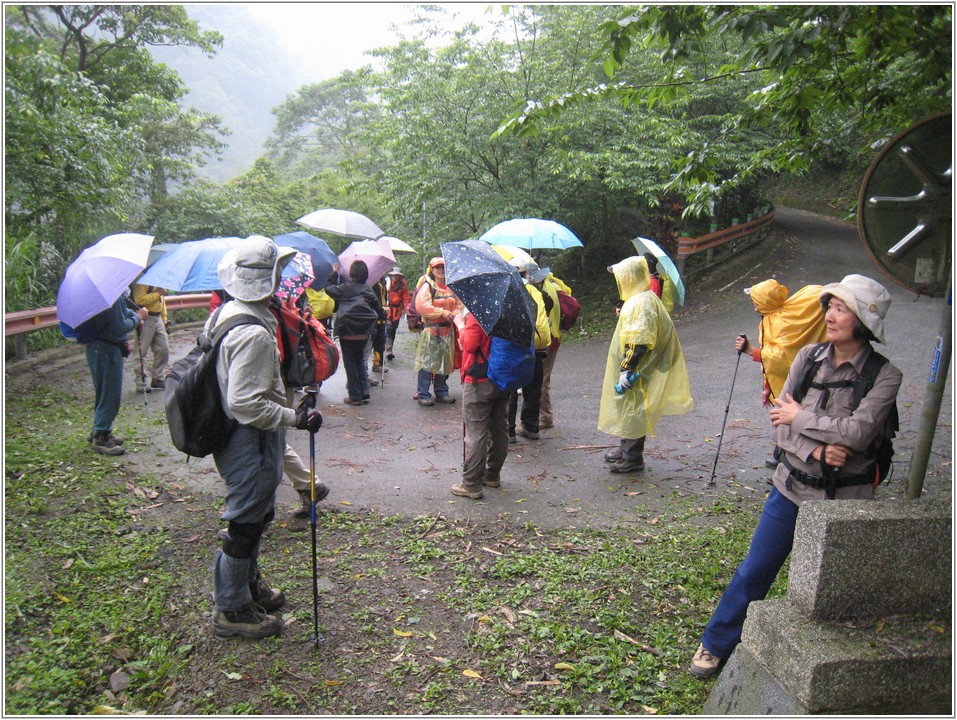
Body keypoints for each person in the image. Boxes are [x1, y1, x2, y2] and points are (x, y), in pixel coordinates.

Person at [690, 274, 900, 679]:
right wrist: (818, 448)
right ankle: (716, 644)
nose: (830, 314)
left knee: (836, 586)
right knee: (756, 569)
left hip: (847, 499)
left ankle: (827, 663)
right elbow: (779, 425)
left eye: (841, 308)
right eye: (830, 306)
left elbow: (859, 432)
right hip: (792, 485)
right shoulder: (808, 358)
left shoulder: (885, 375)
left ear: (861, 320)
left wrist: (800, 417)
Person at [207, 236, 322, 639]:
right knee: (245, 523)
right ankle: (232, 608)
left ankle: (246, 587)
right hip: (248, 440)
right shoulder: (253, 333)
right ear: (269, 281)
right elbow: (245, 403)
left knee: (255, 516)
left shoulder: (227, 313)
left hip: (241, 438)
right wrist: (295, 417)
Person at [598, 256, 693, 473]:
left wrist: (627, 368)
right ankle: (626, 448)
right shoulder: (641, 298)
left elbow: (638, 340)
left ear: (629, 277)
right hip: (641, 364)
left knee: (635, 407)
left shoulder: (641, 303)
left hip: (639, 367)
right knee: (629, 405)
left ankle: (632, 457)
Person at [736, 279, 827, 468]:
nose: (753, 306)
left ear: (763, 302)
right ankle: (782, 454)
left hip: (800, 381)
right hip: (794, 380)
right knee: (784, 418)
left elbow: (781, 357)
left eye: (755, 300)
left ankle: (787, 460)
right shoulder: (771, 318)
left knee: (790, 418)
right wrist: (767, 387)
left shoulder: (782, 322)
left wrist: (750, 351)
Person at [78, 291, 149, 455]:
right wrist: (137, 318)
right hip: (106, 350)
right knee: (110, 394)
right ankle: (101, 437)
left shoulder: (103, 294)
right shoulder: (112, 296)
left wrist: (133, 314)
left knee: (104, 392)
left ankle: (102, 429)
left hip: (98, 348)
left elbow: (121, 313)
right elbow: (119, 327)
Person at [451, 309, 511, 499]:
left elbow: (470, 344)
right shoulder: (508, 311)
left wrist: (461, 324)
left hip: (479, 379)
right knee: (500, 428)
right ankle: (492, 475)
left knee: (476, 432)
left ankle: (471, 484)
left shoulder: (481, 313)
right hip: (502, 377)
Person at [325, 260, 385, 406]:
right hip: (364, 331)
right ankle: (364, 391)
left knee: (350, 362)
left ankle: (354, 396)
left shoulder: (345, 288)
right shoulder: (368, 289)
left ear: (351, 273)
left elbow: (328, 289)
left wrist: (334, 273)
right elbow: (378, 308)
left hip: (347, 330)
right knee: (359, 360)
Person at [507, 260, 551, 441]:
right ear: (526, 275)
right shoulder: (536, 292)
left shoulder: (507, 291)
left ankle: (509, 431)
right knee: (533, 387)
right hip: (536, 345)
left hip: (514, 346)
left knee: (510, 388)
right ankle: (531, 427)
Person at [413, 257, 464, 406]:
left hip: (447, 330)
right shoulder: (428, 286)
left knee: (445, 361)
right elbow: (422, 306)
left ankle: (441, 391)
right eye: (437, 268)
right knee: (427, 363)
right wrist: (441, 312)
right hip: (431, 330)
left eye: (443, 267)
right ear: (432, 270)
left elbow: (459, 305)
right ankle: (423, 393)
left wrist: (453, 314)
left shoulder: (451, 287)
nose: (440, 270)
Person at [536, 269, 572, 431]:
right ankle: (541, 416)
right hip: (553, 336)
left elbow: (573, 307)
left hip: (546, 338)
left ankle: (545, 417)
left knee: (541, 379)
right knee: (541, 378)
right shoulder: (555, 285)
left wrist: (564, 325)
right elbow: (572, 306)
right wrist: (564, 325)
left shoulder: (544, 289)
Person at [131, 280, 170, 392]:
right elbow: (140, 299)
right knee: (141, 351)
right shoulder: (141, 280)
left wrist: (165, 317)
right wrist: (158, 293)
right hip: (145, 318)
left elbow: (161, 300)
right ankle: (140, 382)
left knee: (163, 349)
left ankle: (158, 377)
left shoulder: (157, 277)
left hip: (158, 318)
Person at [385, 268, 411, 360]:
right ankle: (388, 349)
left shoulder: (402, 286)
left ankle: (390, 347)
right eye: (393, 275)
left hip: (397, 311)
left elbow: (406, 299)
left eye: (397, 275)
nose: (395, 277)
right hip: (387, 309)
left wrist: (408, 311)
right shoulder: (386, 284)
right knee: (388, 328)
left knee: (393, 330)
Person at [369, 276, 389, 383]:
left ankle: (378, 363)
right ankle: (376, 364)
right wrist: (382, 309)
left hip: (382, 317)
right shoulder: (373, 284)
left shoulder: (383, 283)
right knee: (373, 342)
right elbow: (376, 302)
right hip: (375, 318)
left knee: (381, 342)